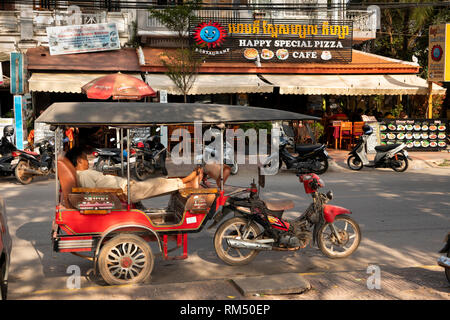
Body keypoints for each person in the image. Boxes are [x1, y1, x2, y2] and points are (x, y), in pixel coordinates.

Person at [65, 147, 203, 203]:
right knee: (158, 184)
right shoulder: (83, 175)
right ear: (79, 161)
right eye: (84, 158)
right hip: (124, 191)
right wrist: (116, 194)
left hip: (124, 187)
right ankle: (186, 181)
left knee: (158, 185)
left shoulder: (83, 174)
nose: (87, 160)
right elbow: (92, 194)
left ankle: (185, 183)